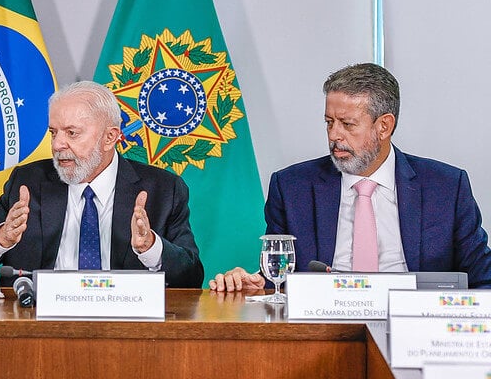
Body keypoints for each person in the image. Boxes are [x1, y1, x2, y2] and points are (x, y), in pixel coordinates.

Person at [210, 62, 491, 291]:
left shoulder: (445, 187)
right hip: (323, 329)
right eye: (329, 122)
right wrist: (253, 283)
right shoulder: (292, 187)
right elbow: (276, 279)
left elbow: (483, 277)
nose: (334, 135)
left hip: (416, 328)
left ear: (384, 126)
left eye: (347, 124)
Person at [0, 81, 203, 288]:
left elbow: (191, 276)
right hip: (36, 324)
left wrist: (151, 247)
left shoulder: (162, 189)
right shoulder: (28, 181)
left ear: (110, 137)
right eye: (54, 133)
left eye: (72, 133)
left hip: (125, 327)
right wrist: (1, 239)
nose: (58, 144)